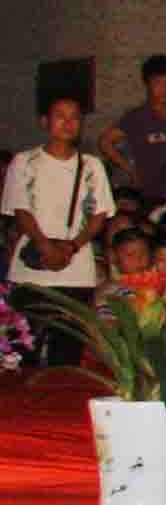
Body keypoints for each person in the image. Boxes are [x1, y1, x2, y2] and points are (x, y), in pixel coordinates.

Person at [5, 96, 116, 363]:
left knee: (68, 350)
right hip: (32, 266)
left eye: (75, 117)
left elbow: (100, 214)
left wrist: (72, 246)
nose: (68, 122)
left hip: (76, 268)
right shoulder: (24, 161)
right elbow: (21, 209)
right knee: (23, 349)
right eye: (60, 116)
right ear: (45, 122)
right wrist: (45, 246)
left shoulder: (92, 165)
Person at [100, 55, 166, 196]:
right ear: (147, 84)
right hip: (149, 192)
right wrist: (129, 169)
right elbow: (105, 142)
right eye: (158, 83)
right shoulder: (136, 117)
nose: (164, 89)